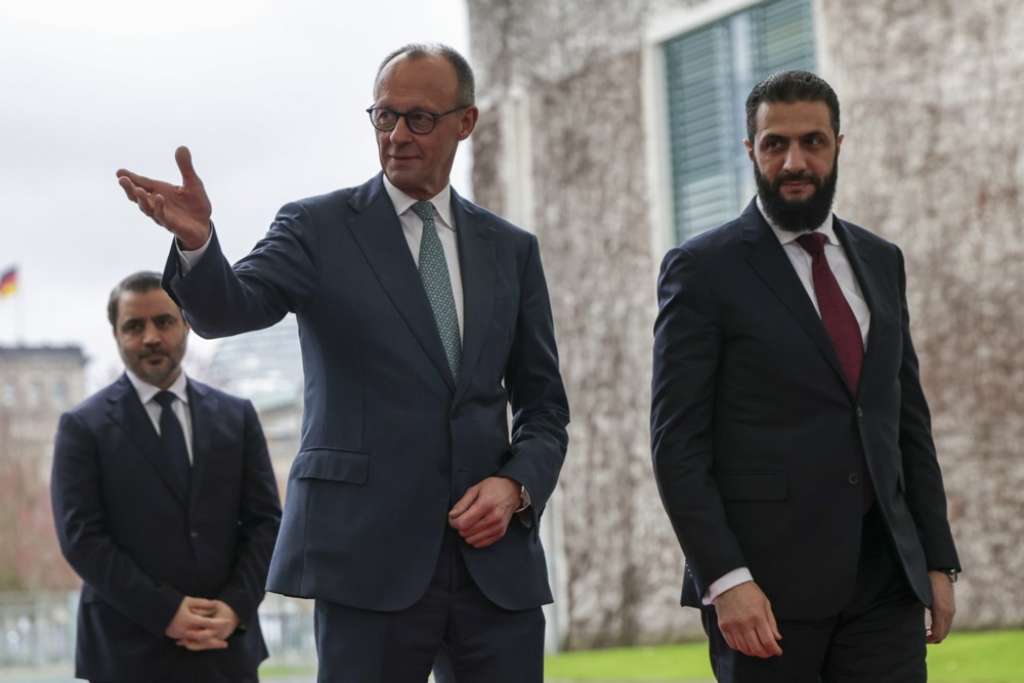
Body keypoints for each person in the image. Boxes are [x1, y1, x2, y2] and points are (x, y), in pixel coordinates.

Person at [115, 43, 569, 683]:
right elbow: (228, 309)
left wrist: (517, 486)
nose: (397, 136)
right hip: (366, 561)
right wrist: (197, 243)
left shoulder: (511, 251)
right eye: (384, 116)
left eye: (419, 118)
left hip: (494, 569)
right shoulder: (317, 228)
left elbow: (544, 407)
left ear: (465, 122)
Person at [651, 71, 961, 682]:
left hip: (885, 582)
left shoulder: (881, 260)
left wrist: (936, 558)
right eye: (776, 144)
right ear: (751, 150)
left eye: (812, 142)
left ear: (838, 145)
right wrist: (725, 579)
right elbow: (676, 443)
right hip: (766, 592)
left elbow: (906, 421)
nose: (795, 162)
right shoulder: (701, 270)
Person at [51, 271, 282, 682]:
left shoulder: (238, 417)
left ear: (187, 323)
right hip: (125, 653)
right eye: (134, 326)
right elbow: (81, 538)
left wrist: (234, 607)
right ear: (116, 335)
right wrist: (166, 613)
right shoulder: (82, 427)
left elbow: (266, 524)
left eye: (164, 321)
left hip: (225, 648)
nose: (151, 337)